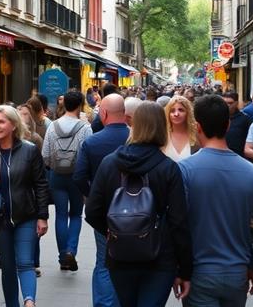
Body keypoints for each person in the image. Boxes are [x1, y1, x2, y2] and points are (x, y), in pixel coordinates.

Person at [84, 101, 192, 307]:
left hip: (120, 254)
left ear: (133, 125)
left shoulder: (109, 163)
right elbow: (179, 221)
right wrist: (185, 270)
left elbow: (92, 210)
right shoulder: (168, 168)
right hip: (160, 257)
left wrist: (111, 229)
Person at [179, 95, 253, 306]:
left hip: (199, 271)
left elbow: (176, 223)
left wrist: (179, 268)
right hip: (237, 271)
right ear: (228, 124)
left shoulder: (184, 170)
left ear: (197, 126)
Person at [73, 93, 130, 307]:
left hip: (104, 212)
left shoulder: (92, 142)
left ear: (103, 114)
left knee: (104, 262)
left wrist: (92, 195)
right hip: (138, 213)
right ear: (125, 114)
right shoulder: (136, 139)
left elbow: (79, 177)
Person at [0, 105, 49, 307]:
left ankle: (29, 302)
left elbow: (41, 184)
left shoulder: (29, 150)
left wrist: (43, 216)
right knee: (7, 266)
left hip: (26, 215)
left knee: (25, 263)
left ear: (13, 125)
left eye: (1, 122)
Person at [41, 90, 92, 271]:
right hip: (77, 177)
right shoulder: (85, 128)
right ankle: (71, 250)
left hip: (57, 176)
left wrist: (54, 165)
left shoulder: (53, 126)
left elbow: (45, 155)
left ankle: (63, 257)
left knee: (61, 216)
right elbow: (89, 155)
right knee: (76, 215)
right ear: (80, 105)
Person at [162, 96, 196, 162]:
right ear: (168, 114)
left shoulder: (197, 136)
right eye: (172, 111)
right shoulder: (162, 135)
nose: (176, 114)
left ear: (188, 113)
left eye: (181, 110)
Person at [222, 92, 250, 157]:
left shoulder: (244, 119)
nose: (227, 105)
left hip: (238, 155)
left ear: (236, 103)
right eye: (225, 103)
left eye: (230, 103)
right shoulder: (217, 117)